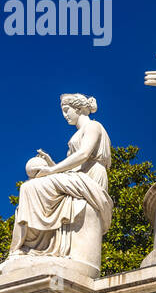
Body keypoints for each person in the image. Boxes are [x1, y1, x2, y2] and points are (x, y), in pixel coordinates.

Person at [10, 93, 113, 257]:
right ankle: (29, 247)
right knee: (30, 187)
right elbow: (74, 166)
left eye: (67, 110)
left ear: (78, 108)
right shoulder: (78, 133)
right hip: (78, 176)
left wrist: (52, 170)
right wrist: (52, 164)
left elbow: (84, 155)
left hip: (91, 176)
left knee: (29, 188)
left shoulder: (93, 126)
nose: (65, 115)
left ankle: (27, 246)